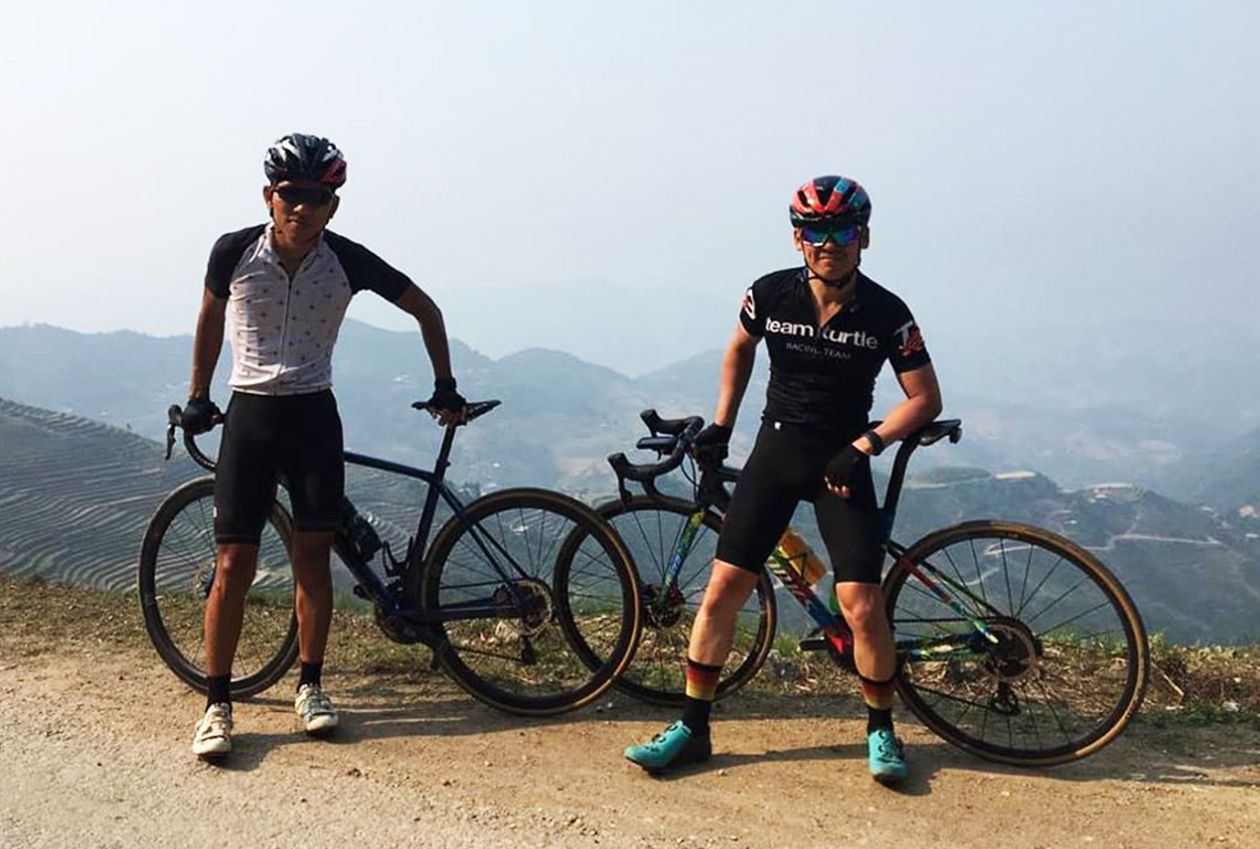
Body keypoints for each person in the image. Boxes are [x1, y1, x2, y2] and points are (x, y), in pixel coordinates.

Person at [623, 175, 942, 784]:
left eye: (842, 230)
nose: (830, 243)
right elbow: (739, 349)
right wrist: (723, 422)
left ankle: (881, 729)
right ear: (799, 239)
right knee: (721, 592)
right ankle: (692, 729)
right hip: (776, 450)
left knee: (861, 605)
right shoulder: (769, 294)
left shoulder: (887, 313)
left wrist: (867, 444)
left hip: (841, 461)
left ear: (864, 237)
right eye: (816, 232)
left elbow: (924, 398)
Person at [183, 133, 466, 759]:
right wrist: (199, 393)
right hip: (250, 414)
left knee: (314, 558)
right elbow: (207, 318)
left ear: (334, 204)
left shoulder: (347, 260)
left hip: (314, 415)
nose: (303, 207)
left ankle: (310, 687)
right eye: (291, 195)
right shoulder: (232, 252)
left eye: (318, 196)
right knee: (233, 564)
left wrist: (444, 383)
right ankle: (217, 703)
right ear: (269, 196)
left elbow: (427, 309)